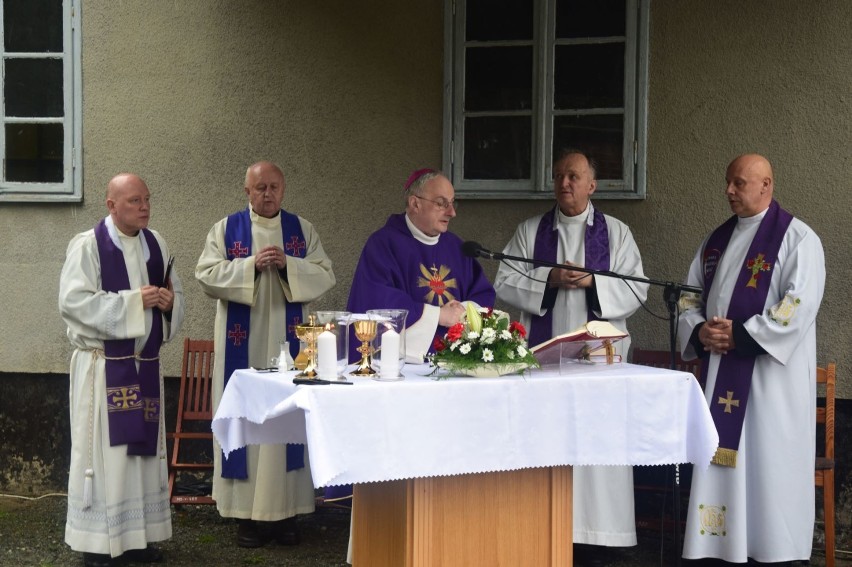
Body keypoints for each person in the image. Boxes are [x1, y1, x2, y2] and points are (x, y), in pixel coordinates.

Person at [494, 150, 648, 551]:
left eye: (574, 176)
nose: (565, 183)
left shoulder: (616, 232)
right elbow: (504, 280)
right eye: (560, 175)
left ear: (592, 185)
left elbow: (638, 288)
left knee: (598, 442)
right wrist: (550, 278)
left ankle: (601, 536)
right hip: (543, 358)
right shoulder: (531, 231)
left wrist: (593, 283)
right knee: (546, 439)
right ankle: (544, 528)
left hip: (600, 363)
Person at [677, 154, 825, 564]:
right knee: (727, 468)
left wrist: (742, 336)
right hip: (721, 371)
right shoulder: (715, 241)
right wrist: (699, 329)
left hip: (771, 386)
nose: (728, 191)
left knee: (769, 467)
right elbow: (689, 296)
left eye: (738, 183)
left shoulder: (798, 239)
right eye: (728, 182)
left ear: (766, 185)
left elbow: (798, 303)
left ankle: (775, 551)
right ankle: (721, 550)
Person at [195, 161, 336, 548]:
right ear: (247, 192)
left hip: (292, 344)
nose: (267, 193)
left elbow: (326, 273)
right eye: (260, 188)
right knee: (247, 420)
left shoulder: (301, 230)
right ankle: (247, 517)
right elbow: (205, 274)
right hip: (242, 342)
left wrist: (290, 264)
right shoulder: (225, 230)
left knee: (286, 418)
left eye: (274, 186)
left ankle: (287, 514)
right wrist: (249, 267)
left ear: (284, 189)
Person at [58, 173, 185, 567]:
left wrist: (167, 303)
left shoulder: (157, 243)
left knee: (142, 457)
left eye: (147, 199)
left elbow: (175, 292)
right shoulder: (89, 246)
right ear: (111, 205)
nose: (144, 206)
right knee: (107, 456)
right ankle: (98, 544)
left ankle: (139, 538)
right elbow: (73, 302)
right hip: (104, 369)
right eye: (133, 200)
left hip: (143, 367)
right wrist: (133, 302)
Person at [347, 168, 496, 361]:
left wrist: (462, 313)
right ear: (415, 204)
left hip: (457, 361)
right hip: (402, 364)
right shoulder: (383, 244)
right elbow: (377, 302)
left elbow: (482, 294)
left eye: (452, 203)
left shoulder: (457, 247)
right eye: (442, 203)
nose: (452, 212)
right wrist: (438, 316)